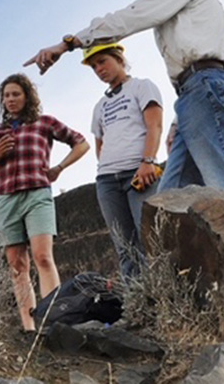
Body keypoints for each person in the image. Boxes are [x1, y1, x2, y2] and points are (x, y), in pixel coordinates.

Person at [26, 0, 224, 200]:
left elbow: (131, 17)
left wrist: (68, 44)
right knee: (171, 198)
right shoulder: (179, 1)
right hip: (194, 93)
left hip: (204, 86)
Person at [0, 73, 90, 331]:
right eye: (6, 95)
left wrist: (59, 168)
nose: (10, 99)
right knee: (18, 266)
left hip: (37, 194)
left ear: (27, 96)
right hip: (7, 199)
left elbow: (81, 143)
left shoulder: (45, 123)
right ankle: (30, 328)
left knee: (43, 256)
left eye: (15, 94)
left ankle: (55, 321)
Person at [84, 43, 163, 279]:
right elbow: (100, 144)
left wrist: (148, 160)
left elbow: (155, 125)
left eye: (103, 61)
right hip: (107, 180)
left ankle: (165, 303)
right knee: (124, 247)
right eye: (94, 66)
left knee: (150, 239)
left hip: (138, 173)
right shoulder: (100, 106)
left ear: (119, 58)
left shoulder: (142, 86)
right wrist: (107, 168)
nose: (99, 69)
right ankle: (136, 305)